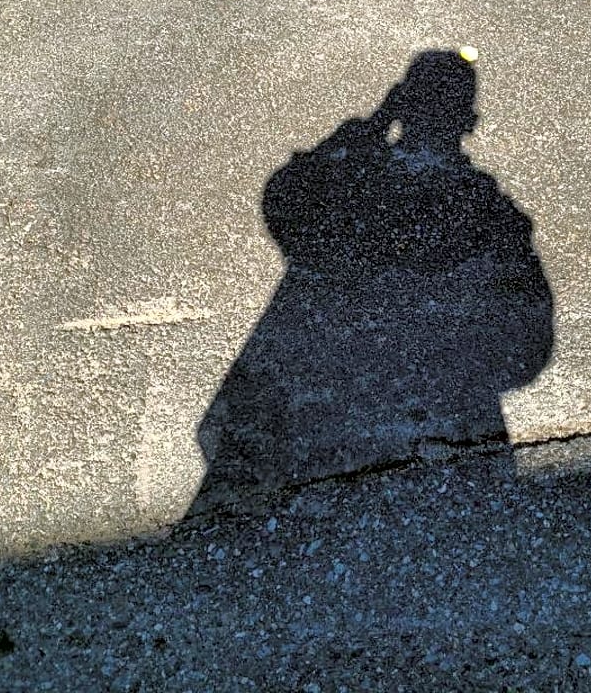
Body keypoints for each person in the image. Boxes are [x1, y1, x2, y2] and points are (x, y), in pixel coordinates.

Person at [191, 50, 554, 513]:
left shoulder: (351, 180)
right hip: (436, 433)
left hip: (325, 424)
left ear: (402, 105)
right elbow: (529, 349)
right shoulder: (492, 213)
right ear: (469, 122)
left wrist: (372, 126)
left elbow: (283, 196)